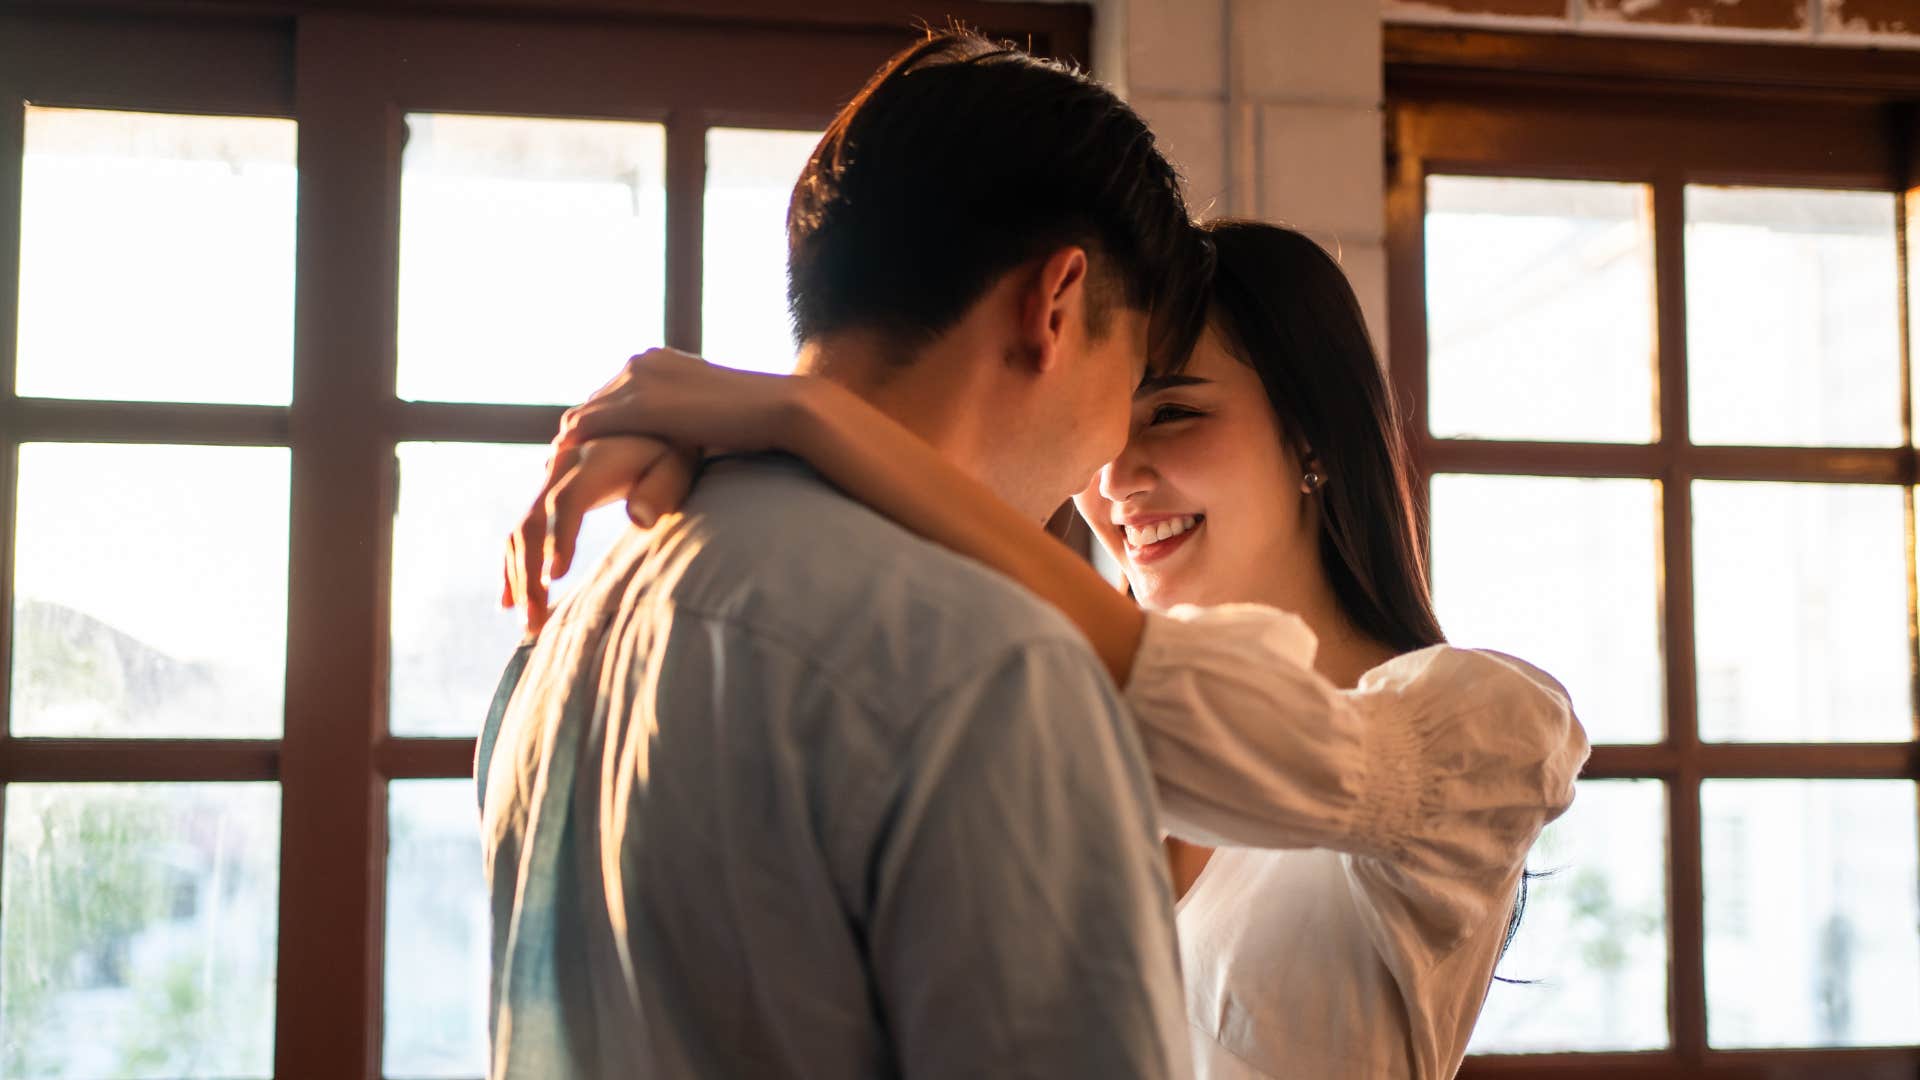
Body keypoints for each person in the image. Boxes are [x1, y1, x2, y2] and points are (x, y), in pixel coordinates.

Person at [511, 222, 1590, 1079]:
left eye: (1172, 416)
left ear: (1310, 432)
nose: (1118, 483)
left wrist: (805, 415)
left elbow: (1256, 740)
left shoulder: (1486, 721)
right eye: (1111, 432)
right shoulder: (1061, 701)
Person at [476, 28, 1217, 1080]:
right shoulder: (991, 668)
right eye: (1135, 379)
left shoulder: (559, 648)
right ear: (1056, 304)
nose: (1114, 459)